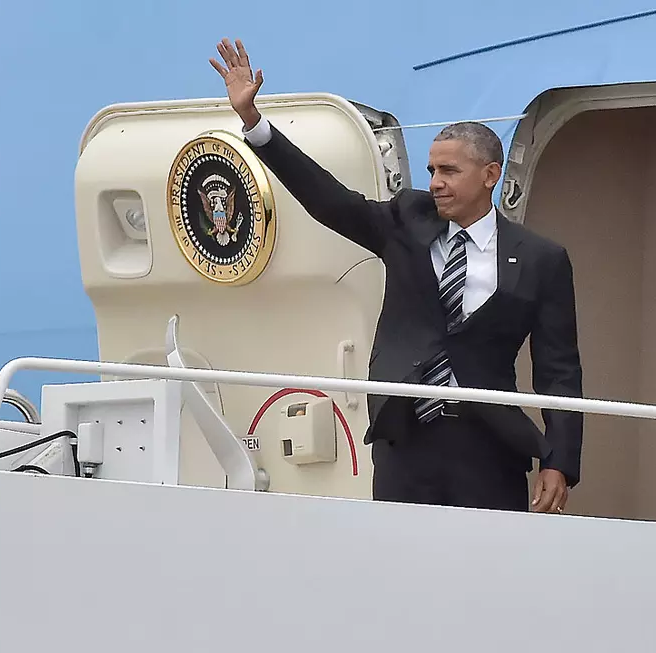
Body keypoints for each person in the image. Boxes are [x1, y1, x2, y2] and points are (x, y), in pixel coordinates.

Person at [210, 38, 583, 513]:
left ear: (490, 175)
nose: (435, 182)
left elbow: (559, 372)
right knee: (399, 572)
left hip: (490, 447)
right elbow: (329, 201)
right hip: (405, 439)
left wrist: (560, 459)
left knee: (489, 573)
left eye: (449, 170)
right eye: (431, 169)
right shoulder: (408, 219)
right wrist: (255, 124)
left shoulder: (541, 259)